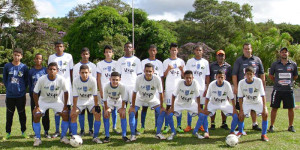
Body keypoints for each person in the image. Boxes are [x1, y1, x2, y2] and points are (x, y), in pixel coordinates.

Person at [32, 62, 70, 146]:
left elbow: (66, 92)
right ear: (47, 70)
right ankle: (38, 138)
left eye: (54, 69)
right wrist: (37, 106)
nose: (52, 71)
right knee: (36, 115)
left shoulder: (61, 79)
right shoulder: (42, 79)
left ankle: (63, 137)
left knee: (65, 114)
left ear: (57, 71)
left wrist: (65, 106)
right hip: (43, 101)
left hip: (56, 101)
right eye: (50, 69)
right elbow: (35, 93)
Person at [128, 63, 167, 141]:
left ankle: (158, 133)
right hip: (140, 98)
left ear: (153, 71)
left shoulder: (157, 78)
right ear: (144, 71)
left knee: (162, 112)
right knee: (132, 112)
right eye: (146, 71)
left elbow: (160, 93)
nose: (148, 73)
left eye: (150, 71)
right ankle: (132, 135)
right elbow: (135, 92)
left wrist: (162, 106)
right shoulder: (139, 78)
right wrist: (132, 106)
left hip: (152, 99)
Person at [232, 43, 265, 131]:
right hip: (242, 88)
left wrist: (263, 86)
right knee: (240, 106)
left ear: (251, 49)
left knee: (254, 104)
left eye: (249, 49)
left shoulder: (257, 60)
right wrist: (235, 86)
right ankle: (240, 125)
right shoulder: (239, 60)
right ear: (243, 50)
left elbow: (262, 73)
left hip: (255, 87)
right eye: (245, 49)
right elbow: (234, 74)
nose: (247, 50)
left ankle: (254, 123)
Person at [166, 70, 206, 140]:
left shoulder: (195, 83)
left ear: (192, 78)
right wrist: (172, 107)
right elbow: (173, 95)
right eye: (187, 78)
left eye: (190, 78)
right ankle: (173, 132)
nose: (188, 79)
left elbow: (198, 96)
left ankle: (195, 132)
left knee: (202, 115)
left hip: (191, 104)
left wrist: (199, 108)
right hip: (179, 103)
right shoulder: (180, 83)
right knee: (169, 114)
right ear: (184, 77)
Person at [70, 64, 102, 143]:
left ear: (89, 73)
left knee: (98, 114)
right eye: (82, 72)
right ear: (79, 73)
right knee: (73, 114)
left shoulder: (93, 80)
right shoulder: (75, 80)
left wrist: (96, 106)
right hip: (80, 101)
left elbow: (95, 95)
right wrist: (74, 108)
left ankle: (95, 137)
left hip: (90, 100)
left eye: (86, 72)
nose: (84, 74)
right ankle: (75, 137)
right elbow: (75, 96)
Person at [268, 47, 298, 132]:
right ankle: (272, 126)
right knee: (274, 108)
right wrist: (278, 82)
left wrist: (288, 82)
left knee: (291, 108)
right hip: (277, 90)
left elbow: (295, 76)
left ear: (288, 53)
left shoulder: (293, 64)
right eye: (282, 52)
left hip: (288, 90)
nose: (284, 53)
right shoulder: (275, 64)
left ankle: (291, 126)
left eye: (286, 52)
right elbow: (271, 76)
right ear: (280, 54)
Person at [48, 41, 74, 137]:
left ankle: (71, 130)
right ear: (55, 48)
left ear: (64, 48)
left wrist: (71, 83)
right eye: (57, 46)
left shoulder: (69, 56)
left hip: (67, 86)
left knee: (68, 107)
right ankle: (57, 130)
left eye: (61, 46)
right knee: (57, 108)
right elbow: (50, 71)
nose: (59, 48)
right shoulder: (51, 57)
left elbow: (71, 71)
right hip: (56, 86)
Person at [203, 70, 239, 138]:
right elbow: (207, 97)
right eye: (218, 77)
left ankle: (232, 131)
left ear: (224, 77)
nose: (220, 79)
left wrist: (234, 109)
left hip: (224, 103)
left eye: (221, 77)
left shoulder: (227, 84)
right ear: (216, 77)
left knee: (236, 115)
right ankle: (206, 132)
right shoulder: (212, 84)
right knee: (203, 115)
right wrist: (205, 108)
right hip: (213, 103)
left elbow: (232, 98)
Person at [3, 48, 29, 140]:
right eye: (15, 55)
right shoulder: (7, 66)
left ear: (21, 56)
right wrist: (9, 88)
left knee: (22, 114)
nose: (16, 57)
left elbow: (26, 81)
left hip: (20, 96)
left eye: (18, 55)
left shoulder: (24, 67)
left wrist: (21, 89)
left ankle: (24, 132)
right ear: (12, 55)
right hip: (10, 96)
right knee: (9, 115)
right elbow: (5, 80)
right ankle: (7, 133)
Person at [237, 66, 269, 141]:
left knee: (265, 114)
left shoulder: (258, 81)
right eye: (247, 74)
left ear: (254, 74)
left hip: (257, 101)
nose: (249, 76)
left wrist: (264, 107)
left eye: (250, 74)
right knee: (241, 116)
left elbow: (263, 95)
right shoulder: (241, 82)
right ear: (245, 75)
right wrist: (241, 110)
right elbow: (240, 97)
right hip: (247, 102)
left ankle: (264, 134)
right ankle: (240, 132)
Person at [116, 42, 142, 135]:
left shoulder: (137, 60)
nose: (128, 49)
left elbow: (139, 75)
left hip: (134, 87)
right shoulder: (120, 61)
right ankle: (124, 130)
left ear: (133, 49)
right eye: (126, 47)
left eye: (130, 47)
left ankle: (134, 129)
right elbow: (118, 75)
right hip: (123, 87)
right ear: (124, 49)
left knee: (134, 108)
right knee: (122, 107)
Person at [184, 45, 210, 132]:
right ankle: (189, 125)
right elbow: (186, 74)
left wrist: (207, 87)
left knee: (201, 106)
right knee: (190, 105)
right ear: (194, 51)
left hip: (201, 87)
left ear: (202, 52)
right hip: (191, 87)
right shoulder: (190, 61)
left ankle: (201, 125)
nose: (198, 52)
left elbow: (207, 76)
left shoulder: (205, 62)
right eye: (197, 50)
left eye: (200, 50)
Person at [140, 44, 164, 133]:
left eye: (154, 50)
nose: (152, 52)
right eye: (151, 50)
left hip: (156, 88)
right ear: (148, 51)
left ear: (156, 52)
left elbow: (161, 77)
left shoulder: (159, 63)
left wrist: (162, 89)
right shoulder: (143, 62)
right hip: (145, 88)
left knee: (157, 108)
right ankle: (142, 126)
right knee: (144, 108)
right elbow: (141, 76)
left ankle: (156, 126)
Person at [73, 47, 97, 136]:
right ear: (81, 55)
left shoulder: (93, 66)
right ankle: (82, 130)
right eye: (83, 54)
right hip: (80, 95)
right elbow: (75, 80)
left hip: (90, 95)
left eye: (87, 54)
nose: (85, 55)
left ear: (89, 55)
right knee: (81, 112)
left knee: (91, 112)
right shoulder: (76, 66)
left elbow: (94, 80)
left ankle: (91, 130)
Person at [97, 45, 120, 134]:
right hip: (105, 91)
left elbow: (119, 76)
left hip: (115, 90)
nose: (108, 54)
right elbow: (98, 78)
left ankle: (114, 127)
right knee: (105, 109)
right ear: (104, 53)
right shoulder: (100, 64)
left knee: (114, 109)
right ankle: (105, 128)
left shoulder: (116, 63)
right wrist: (101, 91)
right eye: (106, 52)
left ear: (112, 53)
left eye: (110, 52)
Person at [163, 43, 185, 133]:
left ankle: (179, 126)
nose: (174, 52)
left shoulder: (181, 61)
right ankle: (166, 126)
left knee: (178, 105)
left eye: (175, 50)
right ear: (170, 50)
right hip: (169, 87)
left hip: (178, 88)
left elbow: (185, 75)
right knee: (168, 106)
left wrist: (181, 70)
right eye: (172, 50)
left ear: (177, 51)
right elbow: (163, 75)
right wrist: (168, 69)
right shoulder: (165, 61)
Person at [102, 72, 130, 142]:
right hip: (110, 100)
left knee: (123, 115)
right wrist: (106, 108)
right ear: (110, 79)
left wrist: (123, 109)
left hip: (119, 100)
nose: (115, 81)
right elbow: (105, 99)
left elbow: (124, 98)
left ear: (119, 79)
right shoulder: (106, 86)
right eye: (113, 79)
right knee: (106, 115)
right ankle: (107, 136)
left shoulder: (122, 86)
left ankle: (124, 135)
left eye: (116, 80)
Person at [208, 50, 232, 130]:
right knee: (213, 105)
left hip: (224, 89)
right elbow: (208, 76)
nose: (220, 57)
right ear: (216, 56)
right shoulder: (212, 65)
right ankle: (212, 123)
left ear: (224, 57)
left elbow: (229, 78)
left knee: (224, 105)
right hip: (213, 88)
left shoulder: (228, 66)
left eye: (222, 56)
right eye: (219, 55)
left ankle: (224, 122)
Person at [29, 53, 50, 138]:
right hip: (35, 95)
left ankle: (46, 131)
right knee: (35, 113)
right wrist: (32, 94)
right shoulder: (31, 71)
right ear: (34, 60)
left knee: (45, 113)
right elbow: (29, 84)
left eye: (40, 59)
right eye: (37, 58)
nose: (38, 60)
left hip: (44, 95)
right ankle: (36, 132)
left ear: (42, 60)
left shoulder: (45, 70)